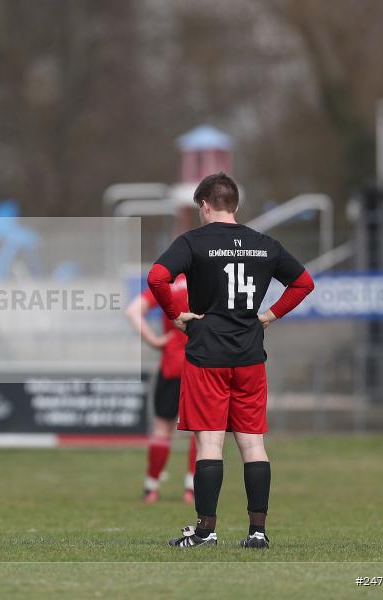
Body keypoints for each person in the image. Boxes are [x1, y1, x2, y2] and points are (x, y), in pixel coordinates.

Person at [146, 172, 314, 549]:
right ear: (235, 205)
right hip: (250, 355)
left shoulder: (192, 241)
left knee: (210, 444)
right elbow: (304, 283)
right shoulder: (264, 243)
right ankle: (257, 532)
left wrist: (176, 314)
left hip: (207, 353)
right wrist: (270, 315)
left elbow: (157, 278)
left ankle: (206, 531)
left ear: (205, 205)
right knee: (253, 445)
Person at [125, 275, 197, 504]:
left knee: (162, 428)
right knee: (202, 429)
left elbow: (133, 311)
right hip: (202, 364)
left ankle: (151, 488)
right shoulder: (209, 276)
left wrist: (154, 341)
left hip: (171, 364)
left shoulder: (168, 282)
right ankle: (192, 489)